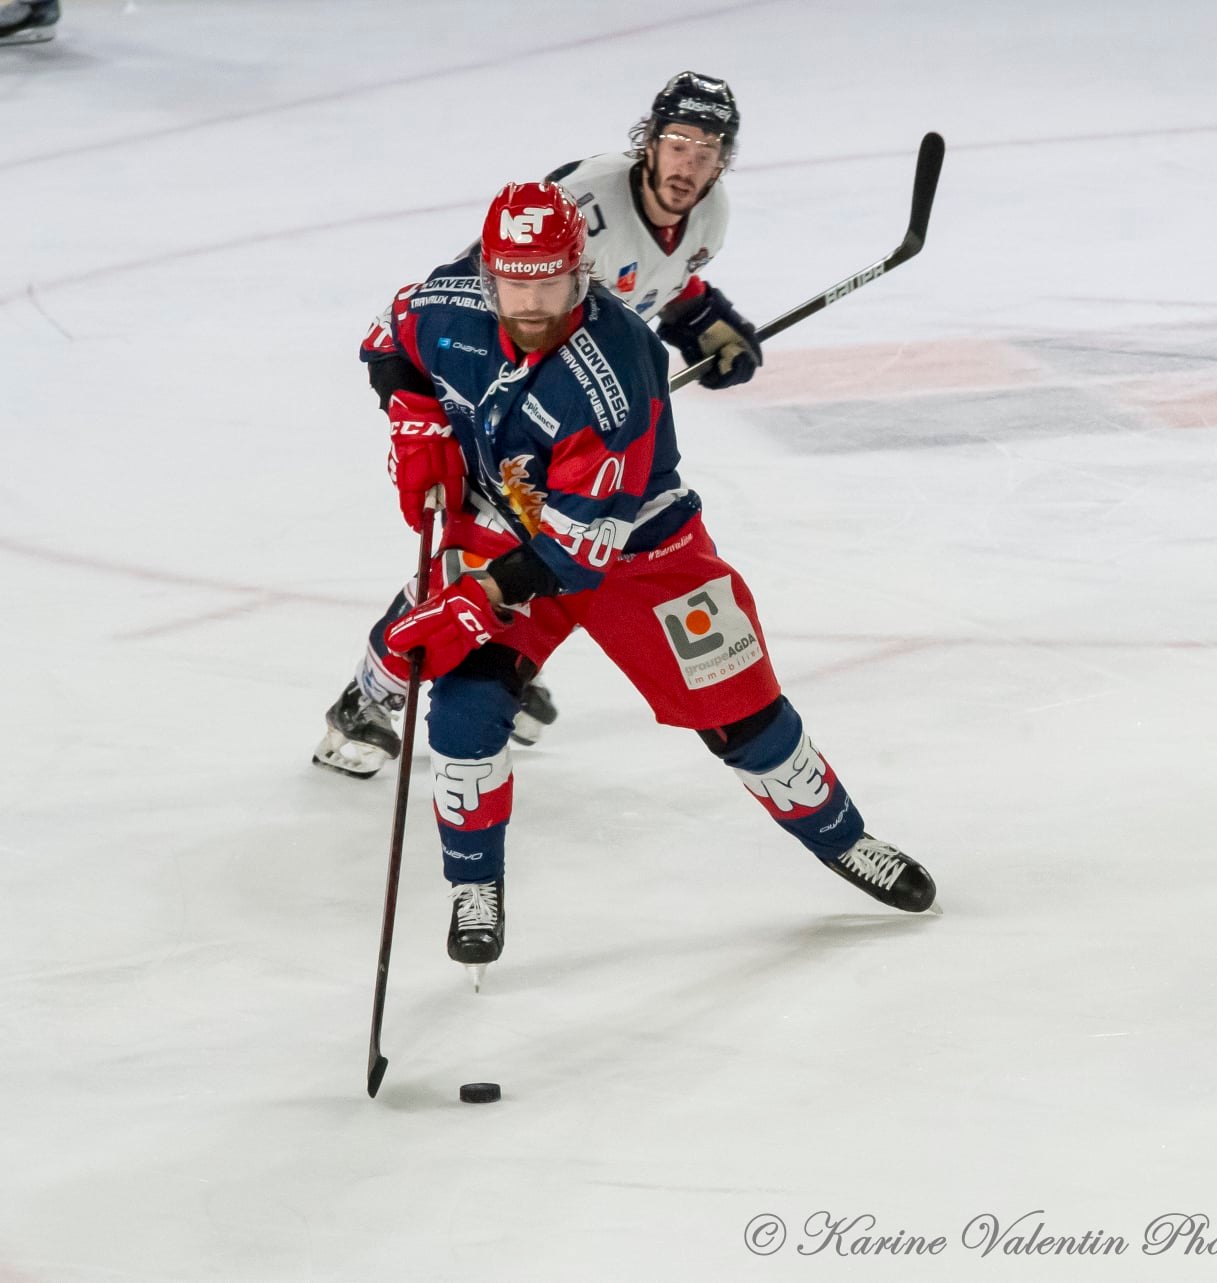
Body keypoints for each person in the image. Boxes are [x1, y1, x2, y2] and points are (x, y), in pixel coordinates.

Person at [361, 181, 934, 982]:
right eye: (514, 282)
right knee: (464, 706)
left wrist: (474, 598)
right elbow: (387, 336)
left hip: (640, 549)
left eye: (550, 282)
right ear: (488, 273)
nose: (531, 302)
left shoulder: (618, 365)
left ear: (582, 273)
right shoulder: (450, 303)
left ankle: (845, 838)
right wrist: (411, 408)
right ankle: (474, 886)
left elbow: (577, 549)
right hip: (508, 524)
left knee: (742, 716)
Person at [315, 71, 763, 777]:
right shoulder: (583, 201)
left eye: (708, 150)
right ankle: (369, 698)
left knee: (558, 555)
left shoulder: (711, 216)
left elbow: (661, 281)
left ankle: (503, 668)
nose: (690, 164)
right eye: (679, 143)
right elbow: (479, 287)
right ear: (649, 141)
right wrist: (417, 409)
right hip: (502, 404)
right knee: (481, 559)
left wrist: (705, 322)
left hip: (578, 426)